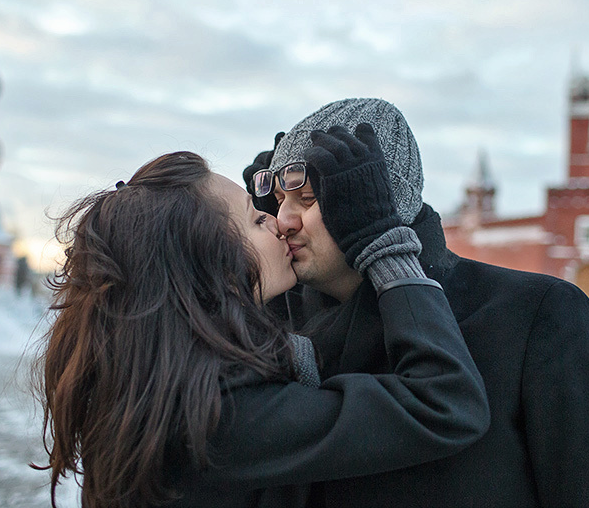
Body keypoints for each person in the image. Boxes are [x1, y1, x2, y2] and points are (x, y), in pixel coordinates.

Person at [245, 98, 589, 507]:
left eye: (309, 197)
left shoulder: (537, 314)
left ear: (376, 197)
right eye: (279, 200)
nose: (283, 220)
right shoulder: (274, 320)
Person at [32, 150, 489, 508]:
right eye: (257, 217)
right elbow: (444, 403)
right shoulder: (220, 418)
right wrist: (388, 249)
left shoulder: (152, 383)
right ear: (214, 264)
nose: (279, 221)